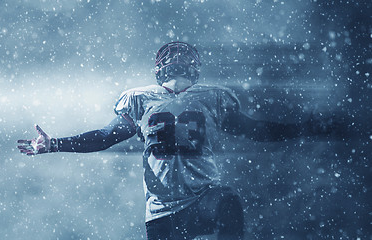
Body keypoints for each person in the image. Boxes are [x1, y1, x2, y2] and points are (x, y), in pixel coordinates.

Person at [18, 41, 337, 240]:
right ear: (195, 67)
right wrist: (304, 127)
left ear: (159, 68)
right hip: (181, 203)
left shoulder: (155, 99)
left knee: (227, 202)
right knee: (228, 203)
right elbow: (257, 130)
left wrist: (55, 144)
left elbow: (104, 138)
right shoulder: (203, 97)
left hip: (175, 205)